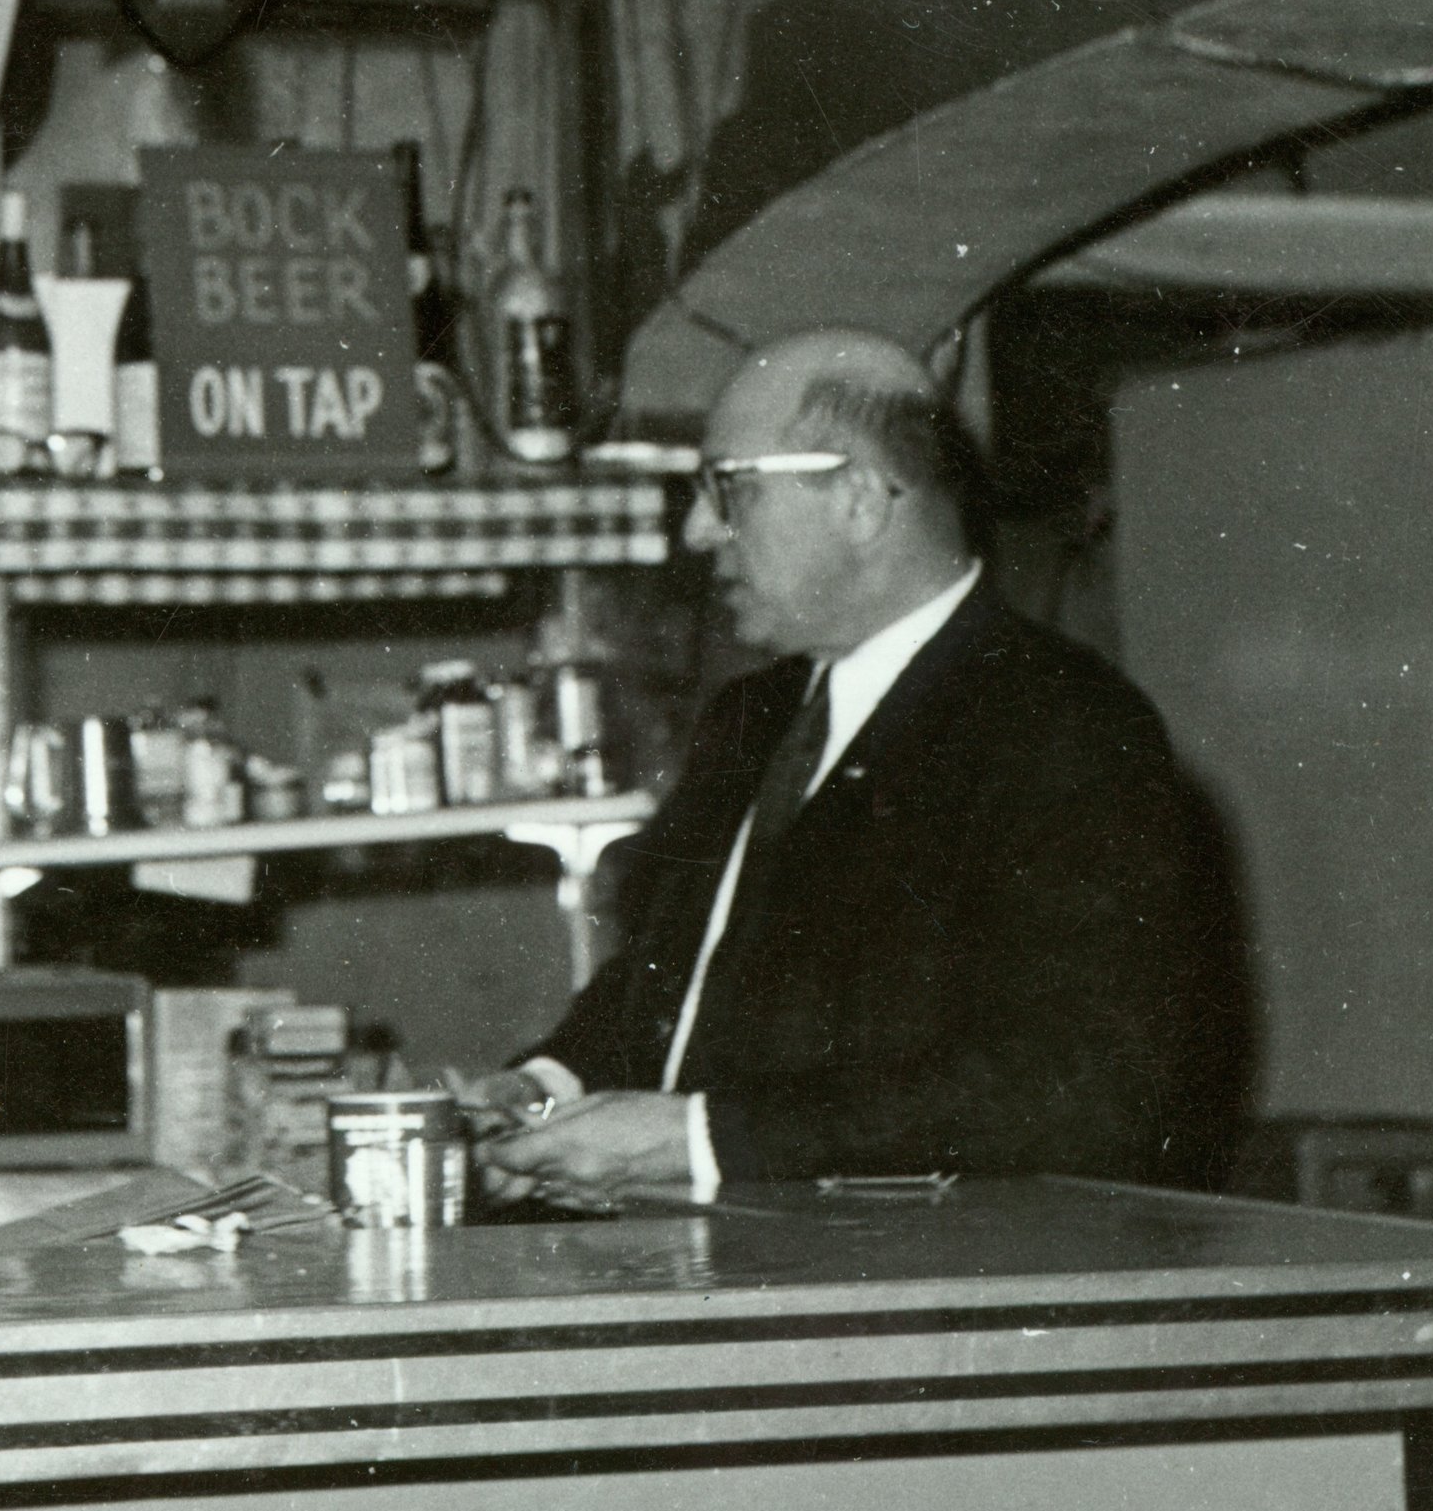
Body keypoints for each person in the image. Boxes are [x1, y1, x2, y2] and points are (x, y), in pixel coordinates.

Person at [473, 328, 1244, 1212]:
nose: (695, 532)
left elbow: (1078, 1088)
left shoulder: (1065, 729)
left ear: (860, 499)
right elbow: (671, 979)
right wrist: (543, 1088)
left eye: (729, 489)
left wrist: (695, 1140)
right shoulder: (749, 718)